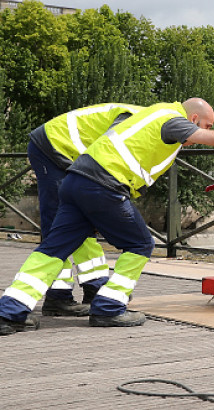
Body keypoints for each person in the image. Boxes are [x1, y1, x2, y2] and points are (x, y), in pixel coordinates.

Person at [0, 98, 214, 335]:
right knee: (140, 243)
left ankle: (9, 311)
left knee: (54, 247)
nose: (203, 131)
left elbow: (211, 136)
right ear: (193, 119)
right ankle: (108, 307)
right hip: (103, 185)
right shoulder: (173, 121)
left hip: (76, 179)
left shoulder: (158, 114)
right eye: (206, 126)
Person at [27, 103, 142, 317]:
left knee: (81, 222)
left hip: (66, 153)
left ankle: (95, 287)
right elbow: (108, 155)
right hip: (53, 149)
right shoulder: (137, 121)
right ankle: (58, 297)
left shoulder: (144, 119)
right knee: (58, 227)